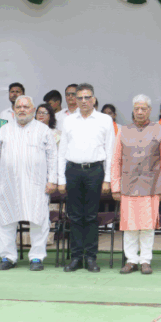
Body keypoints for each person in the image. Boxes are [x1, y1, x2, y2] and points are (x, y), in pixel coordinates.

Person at [0, 96, 59, 271]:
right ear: (14, 110)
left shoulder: (43, 130)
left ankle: (36, 257)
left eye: (26, 106)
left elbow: (53, 157)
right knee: (5, 220)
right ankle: (8, 257)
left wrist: (52, 180)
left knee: (39, 219)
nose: (22, 109)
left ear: (33, 110)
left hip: (36, 184)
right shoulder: (4, 129)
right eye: (19, 106)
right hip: (7, 183)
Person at [110, 95, 161, 275]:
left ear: (149, 111)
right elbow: (116, 160)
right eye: (137, 108)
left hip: (150, 185)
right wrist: (115, 186)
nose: (139, 112)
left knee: (147, 225)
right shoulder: (123, 130)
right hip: (128, 184)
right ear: (133, 109)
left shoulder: (159, 130)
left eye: (143, 109)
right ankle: (131, 260)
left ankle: (145, 260)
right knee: (129, 225)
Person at [57, 83, 115, 272]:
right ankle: (75, 258)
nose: (83, 101)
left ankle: (90, 257)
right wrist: (61, 179)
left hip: (95, 171)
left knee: (90, 216)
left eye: (86, 97)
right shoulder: (68, 121)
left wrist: (107, 179)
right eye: (79, 97)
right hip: (73, 171)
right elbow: (62, 151)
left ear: (94, 99)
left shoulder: (105, 120)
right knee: (74, 216)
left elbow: (110, 151)